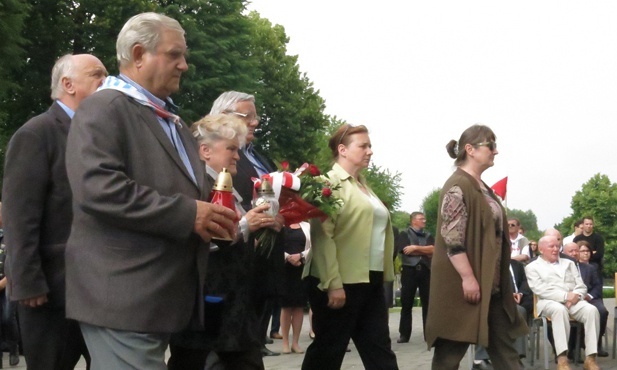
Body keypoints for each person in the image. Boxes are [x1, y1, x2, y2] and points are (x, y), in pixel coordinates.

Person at [64, 13, 237, 369]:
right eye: (174, 55)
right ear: (139, 54)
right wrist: (190, 214)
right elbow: (99, 188)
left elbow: (193, 190)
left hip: (154, 297)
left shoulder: (167, 118)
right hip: (124, 297)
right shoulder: (105, 107)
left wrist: (222, 218)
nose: (184, 65)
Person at [2, 53, 108, 369]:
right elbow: (20, 215)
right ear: (68, 84)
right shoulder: (36, 133)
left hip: (101, 286)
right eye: (97, 73)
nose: (107, 80)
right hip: (50, 289)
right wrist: (28, 281)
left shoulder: (102, 137)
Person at [168, 113, 277, 370]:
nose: (237, 155)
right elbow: (204, 238)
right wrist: (247, 225)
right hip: (209, 300)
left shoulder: (222, 183)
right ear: (205, 150)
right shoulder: (196, 186)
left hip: (229, 302)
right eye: (231, 149)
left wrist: (258, 231)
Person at [425, 124, 527, 370]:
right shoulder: (458, 185)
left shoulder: (483, 187)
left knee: (506, 353)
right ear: (470, 149)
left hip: (491, 289)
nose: (496, 151)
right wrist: (468, 278)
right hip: (464, 289)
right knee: (448, 356)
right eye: (490, 145)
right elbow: (452, 239)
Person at [301, 124, 398, 370]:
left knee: (380, 351)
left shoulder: (363, 186)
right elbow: (323, 238)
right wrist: (333, 284)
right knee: (328, 350)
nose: (370, 151)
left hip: (370, 279)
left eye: (370, 145)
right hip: (339, 281)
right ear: (342, 150)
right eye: (363, 146)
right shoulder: (328, 184)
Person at [210, 91, 285, 357]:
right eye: (247, 116)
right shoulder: (212, 159)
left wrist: (278, 216)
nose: (254, 122)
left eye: (256, 117)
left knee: (247, 347)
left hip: (259, 266)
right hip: (229, 267)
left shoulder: (261, 158)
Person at [525, 236, 601, 370]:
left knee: (592, 310)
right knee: (559, 310)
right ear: (541, 249)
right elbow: (541, 290)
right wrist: (566, 296)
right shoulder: (532, 267)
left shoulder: (569, 263)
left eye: (557, 246)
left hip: (574, 301)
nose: (555, 249)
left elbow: (581, 286)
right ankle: (562, 360)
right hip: (548, 302)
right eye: (551, 246)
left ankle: (590, 358)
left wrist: (576, 296)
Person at [396, 211, 434, 343]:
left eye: (424, 218)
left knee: (428, 303)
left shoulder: (429, 235)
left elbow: (434, 250)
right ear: (413, 221)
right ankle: (404, 334)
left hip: (425, 271)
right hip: (409, 271)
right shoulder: (404, 234)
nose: (424, 221)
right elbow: (405, 250)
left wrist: (415, 248)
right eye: (421, 219)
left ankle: (429, 334)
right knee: (406, 303)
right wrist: (425, 250)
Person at [569, 241, 609, 357]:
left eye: (587, 251)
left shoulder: (592, 268)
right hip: (574, 298)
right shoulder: (569, 267)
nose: (585, 253)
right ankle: (573, 347)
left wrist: (589, 296)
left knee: (602, 311)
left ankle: (595, 342)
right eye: (582, 251)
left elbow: (597, 286)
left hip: (591, 297)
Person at [280, 222, 311, 354]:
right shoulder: (280, 224)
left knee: (299, 306)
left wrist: (301, 255)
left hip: (301, 268)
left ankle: (295, 343)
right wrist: (288, 257)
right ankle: (285, 342)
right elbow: (274, 245)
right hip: (285, 268)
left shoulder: (307, 226)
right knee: (286, 306)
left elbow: (314, 246)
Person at [0, 203, 20, 367]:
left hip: (8, 284)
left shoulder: (12, 235)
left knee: (7, 317)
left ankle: (14, 348)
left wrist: (3, 282)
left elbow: (15, 264)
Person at [573, 217, 605, 284]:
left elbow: (599, 254)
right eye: (587, 224)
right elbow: (574, 253)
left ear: (593, 225)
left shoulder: (599, 238)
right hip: (579, 269)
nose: (589, 226)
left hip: (596, 268)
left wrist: (584, 256)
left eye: (590, 224)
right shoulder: (577, 239)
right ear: (583, 225)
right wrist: (592, 252)